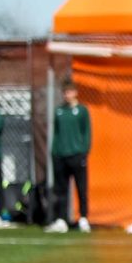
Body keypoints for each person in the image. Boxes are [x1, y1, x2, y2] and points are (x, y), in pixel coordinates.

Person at [45, 80, 92, 234]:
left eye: (70, 92)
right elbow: (56, 134)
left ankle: (83, 218)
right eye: (65, 92)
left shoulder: (82, 111)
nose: (67, 95)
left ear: (75, 92)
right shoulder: (59, 111)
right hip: (60, 156)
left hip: (77, 156)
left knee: (81, 187)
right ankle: (61, 220)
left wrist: (83, 151)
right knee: (61, 189)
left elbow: (87, 133)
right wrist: (54, 151)